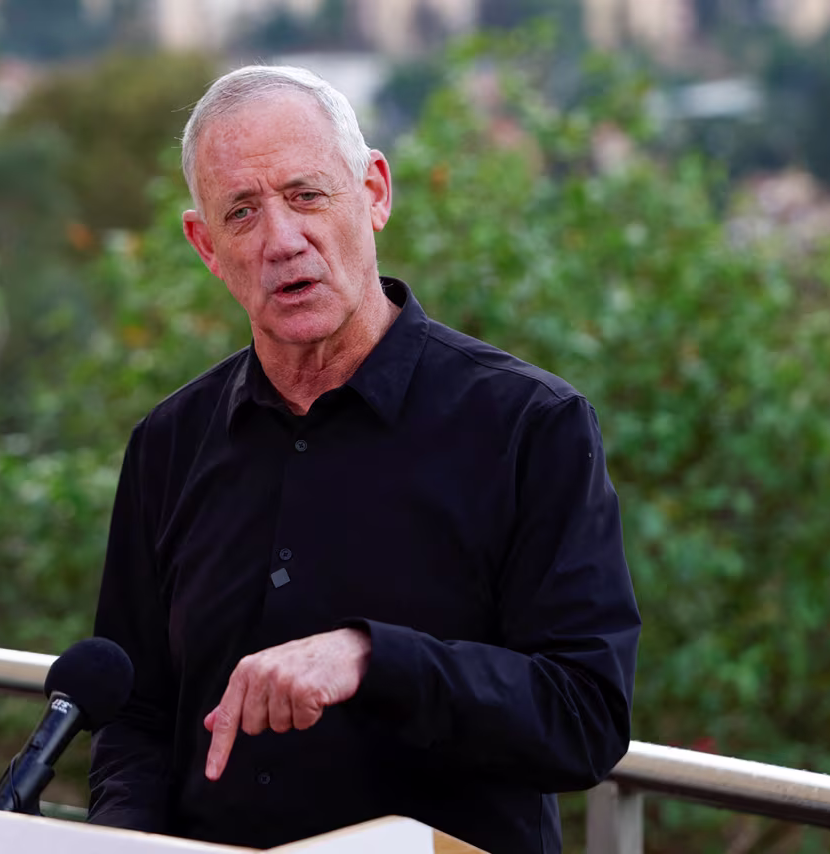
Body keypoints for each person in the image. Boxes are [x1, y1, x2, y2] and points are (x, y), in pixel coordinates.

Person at [86, 65, 640, 854]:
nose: (282, 240)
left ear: (375, 191)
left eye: (307, 195)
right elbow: (135, 717)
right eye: (243, 213)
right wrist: (124, 839)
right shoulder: (168, 444)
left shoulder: (530, 426)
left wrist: (373, 659)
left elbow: (584, 718)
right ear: (206, 245)